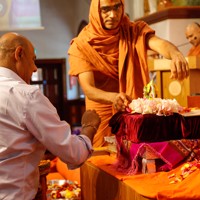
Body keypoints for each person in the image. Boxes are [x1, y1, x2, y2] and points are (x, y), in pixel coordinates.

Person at [68, 0, 189, 148]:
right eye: (106, 10)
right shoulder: (81, 45)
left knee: (138, 153)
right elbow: (88, 89)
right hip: (102, 114)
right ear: (95, 11)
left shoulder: (133, 31)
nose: (113, 15)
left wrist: (175, 53)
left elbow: (159, 44)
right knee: (103, 161)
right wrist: (113, 97)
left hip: (133, 109)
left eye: (117, 7)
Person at [0, 32, 101, 200]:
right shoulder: (26, 96)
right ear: (19, 54)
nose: (34, 68)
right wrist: (89, 127)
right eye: (33, 59)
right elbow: (73, 153)